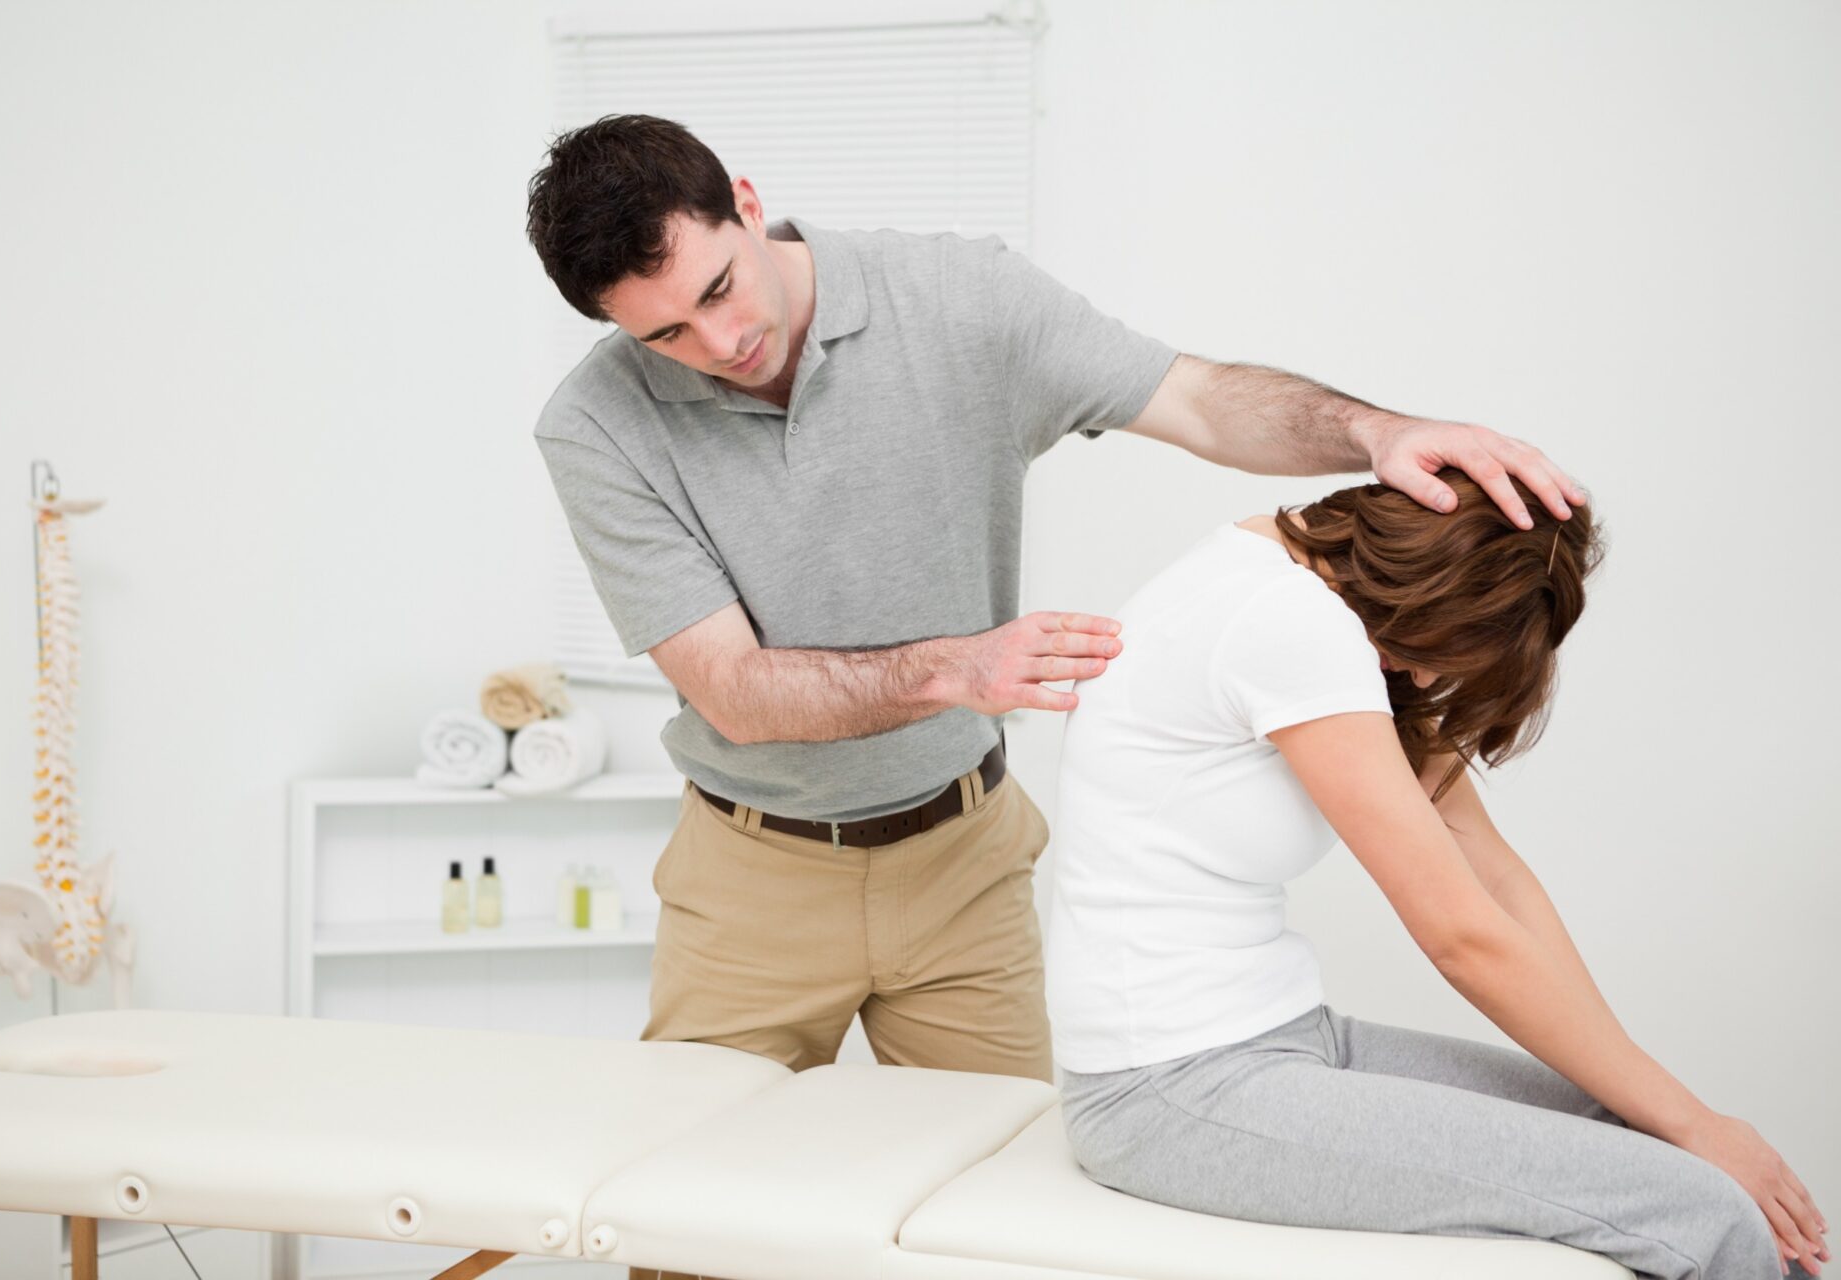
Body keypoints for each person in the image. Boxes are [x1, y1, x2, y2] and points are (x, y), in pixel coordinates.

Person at [523, 113, 1583, 1280]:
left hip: (963, 861)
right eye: (665, 330)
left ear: (745, 196)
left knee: (1017, 1223)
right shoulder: (596, 424)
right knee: (685, 1234)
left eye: (723, 286)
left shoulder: (957, 299)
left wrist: (1376, 430)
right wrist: (956, 667)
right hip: (750, 883)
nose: (720, 338)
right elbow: (731, 689)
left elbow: (1197, 399)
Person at [1046, 470, 1828, 1279]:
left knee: (1643, 1131)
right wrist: (1698, 1121)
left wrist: (1666, 1107)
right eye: (1440, 652)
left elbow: (1493, 878)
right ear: (1430, 581)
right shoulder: (1287, 621)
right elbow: (1462, 936)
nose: (1423, 681)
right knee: (1706, 1211)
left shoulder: (1297, 580)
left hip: (1290, 1040)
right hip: (1171, 1095)